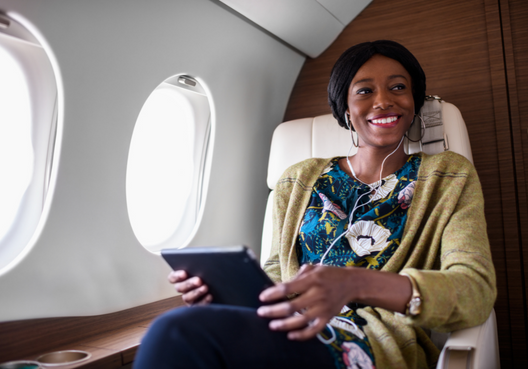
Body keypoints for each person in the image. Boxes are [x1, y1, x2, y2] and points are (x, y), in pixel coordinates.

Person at [133, 40, 496, 369]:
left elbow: (475, 289)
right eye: (365, 91)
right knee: (180, 329)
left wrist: (353, 283)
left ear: (414, 100)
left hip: (367, 345)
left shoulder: (449, 177)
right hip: (288, 324)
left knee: (177, 332)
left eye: (398, 87)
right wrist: (224, 296)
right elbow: (277, 273)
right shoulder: (298, 179)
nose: (383, 100)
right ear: (345, 110)